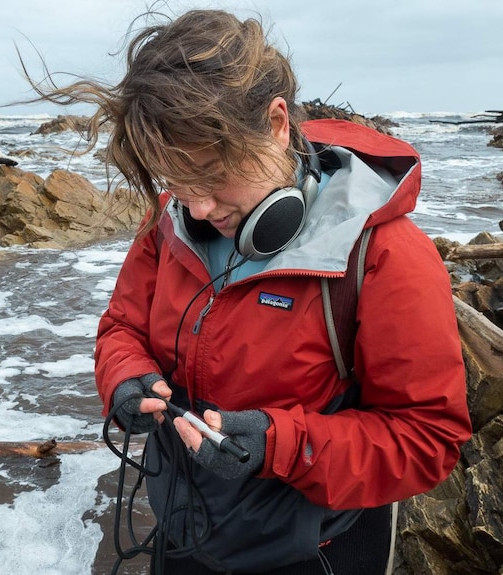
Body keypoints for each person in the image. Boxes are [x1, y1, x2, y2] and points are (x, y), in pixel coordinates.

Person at [29, 9, 471, 574]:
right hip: (184, 528)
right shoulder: (170, 222)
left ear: (277, 123)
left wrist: (281, 445)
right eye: (174, 180)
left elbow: (427, 439)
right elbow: (121, 328)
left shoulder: (384, 255)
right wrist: (123, 378)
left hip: (316, 551)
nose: (198, 207)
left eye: (211, 175)